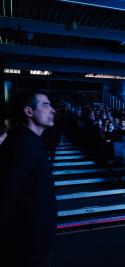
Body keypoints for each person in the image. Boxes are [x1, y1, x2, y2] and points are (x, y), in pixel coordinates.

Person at [0, 91, 57, 266]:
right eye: (45, 105)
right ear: (29, 112)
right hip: (26, 245)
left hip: (35, 240)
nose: (52, 110)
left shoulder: (31, 142)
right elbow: (5, 195)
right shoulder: (22, 146)